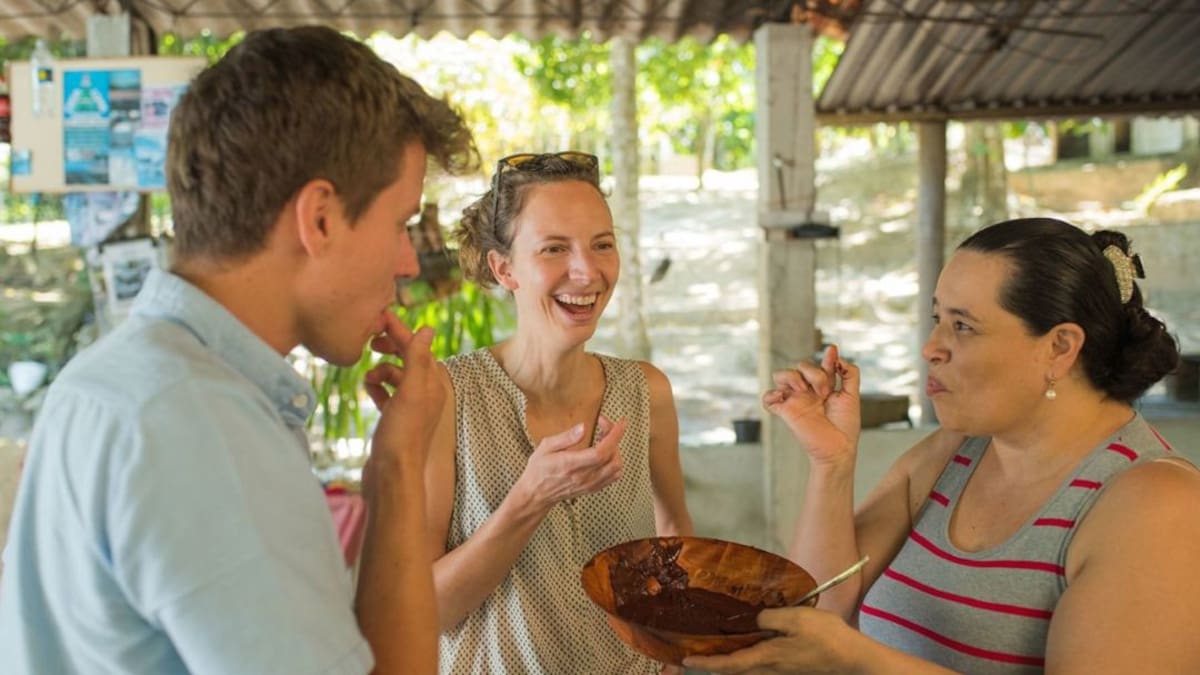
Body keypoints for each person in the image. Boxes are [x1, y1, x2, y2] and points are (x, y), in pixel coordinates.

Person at [0, 26, 477, 674]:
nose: (406, 262)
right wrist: (397, 472)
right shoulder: (199, 425)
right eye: (400, 224)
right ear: (320, 219)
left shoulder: (112, 378)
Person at [687, 217, 1200, 674]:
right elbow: (814, 613)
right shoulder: (956, 452)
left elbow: (836, 647)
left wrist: (859, 660)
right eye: (937, 319)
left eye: (963, 326)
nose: (931, 348)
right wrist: (831, 462)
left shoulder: (1156, 506)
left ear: (1060, 347)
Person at [429, 152, 693, 673]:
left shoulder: (646, 392)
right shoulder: (446, 395)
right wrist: (531, 497)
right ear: (504, 268)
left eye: (602, 244)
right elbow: (425, 610)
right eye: (554, 248)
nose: (587, 271)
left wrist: (674, 652)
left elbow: (674, 533)